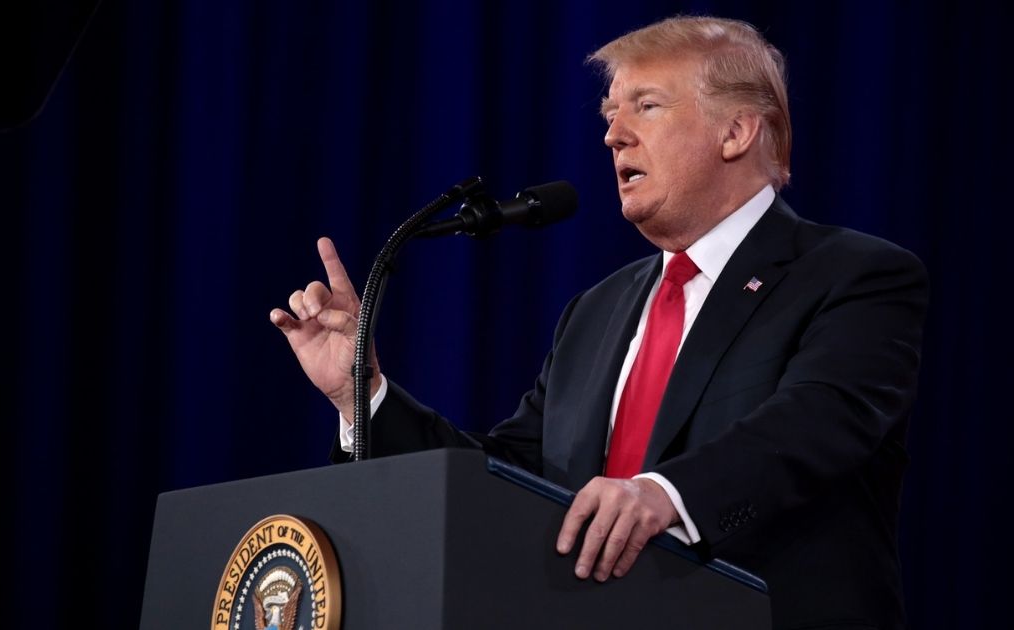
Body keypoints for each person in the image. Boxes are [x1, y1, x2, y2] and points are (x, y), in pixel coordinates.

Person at [270, 16, 927, 630]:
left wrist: (662, 494)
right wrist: (363, 394)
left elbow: (813, 425)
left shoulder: (853, 275)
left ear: (737, 132)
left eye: (645, 106)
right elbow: (508, 482)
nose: (612, 134)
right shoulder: (596, 312)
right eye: (611, 115)